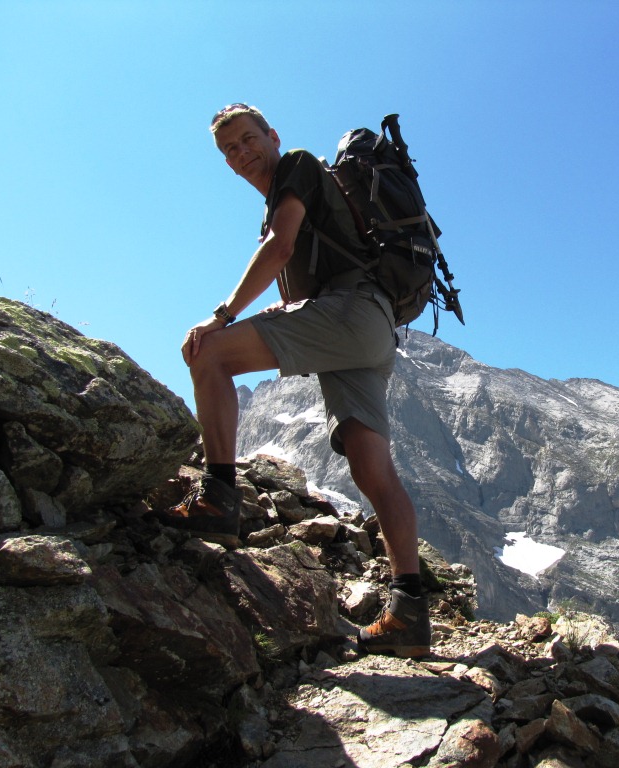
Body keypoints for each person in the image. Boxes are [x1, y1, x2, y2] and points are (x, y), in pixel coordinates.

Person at [157, 103, 430, 658]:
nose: (241, 153)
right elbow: (299, 269)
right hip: (371, 328)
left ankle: (218, 497)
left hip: (350, 312)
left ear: (272, 136)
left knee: (209, 353)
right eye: (230, 149)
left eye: (247, 138)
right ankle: (410, 611)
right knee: (372, 469)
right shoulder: (291, 196)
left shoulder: (299, 165)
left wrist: (222, 315)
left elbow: (279, 247)